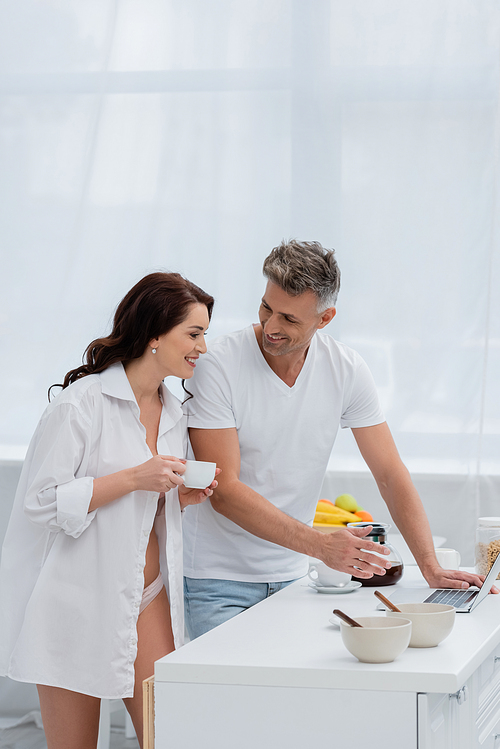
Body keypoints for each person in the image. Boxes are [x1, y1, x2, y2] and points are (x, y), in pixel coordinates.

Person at [183, 240, 491, 639]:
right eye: (266, 309)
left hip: (295, 578)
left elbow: (389, 472)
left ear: (324, 318)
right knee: (228, 699)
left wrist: (429, 565)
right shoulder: (217, 365)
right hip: (217, 580)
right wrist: (320, 544)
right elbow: (223, 489)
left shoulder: (345, 369)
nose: (272, 327)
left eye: (290, 319)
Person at [0, 272, 217, 749]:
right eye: (194, 333)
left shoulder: (174, 408)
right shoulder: (81, 404)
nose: (203, 346)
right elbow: (40, 503)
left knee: (167, 737)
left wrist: (176, 496)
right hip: (77, 601)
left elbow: (141, 507)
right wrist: (134, 478)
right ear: (155, 335)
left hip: (147, 597)